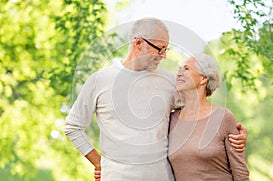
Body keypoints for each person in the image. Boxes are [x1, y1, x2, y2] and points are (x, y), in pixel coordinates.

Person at [65, 17, 248, 181]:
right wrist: (99, 164)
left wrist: (234, 135)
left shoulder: (169, 81)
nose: (164, 55)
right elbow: (73, 126)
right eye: (160, 48)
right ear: (138, 44)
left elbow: (198, 111)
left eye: (166, 49)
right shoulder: (100, 80)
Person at [168, 54, 249, 180]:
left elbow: (240, 172)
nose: (179, 73)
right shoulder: (171, 120)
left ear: (203, 79)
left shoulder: (223, 117)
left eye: (186, 69)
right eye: (179, 70)